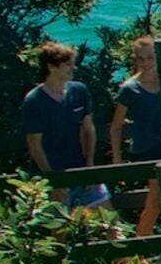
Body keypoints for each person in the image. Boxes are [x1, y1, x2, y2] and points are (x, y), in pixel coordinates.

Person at [16, 41, 106, 209]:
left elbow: (88, 129)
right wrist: (53, 180)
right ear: (52, 67)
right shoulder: (34, 101)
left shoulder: (79, 91)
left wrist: (90, 165)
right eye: (67, 64)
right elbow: (35, 145)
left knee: (110, 221)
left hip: (81, 169)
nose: (73, 68)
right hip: (53, 174)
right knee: (59, 229)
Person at [109, 40, 161, 232]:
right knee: (156, 201)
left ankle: (145, 247)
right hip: (147, 149)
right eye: (141, 58)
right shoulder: (130, 89)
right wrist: (117, 159)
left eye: (150, 57)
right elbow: (116, 126)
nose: (146, 62)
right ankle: (140, 247)